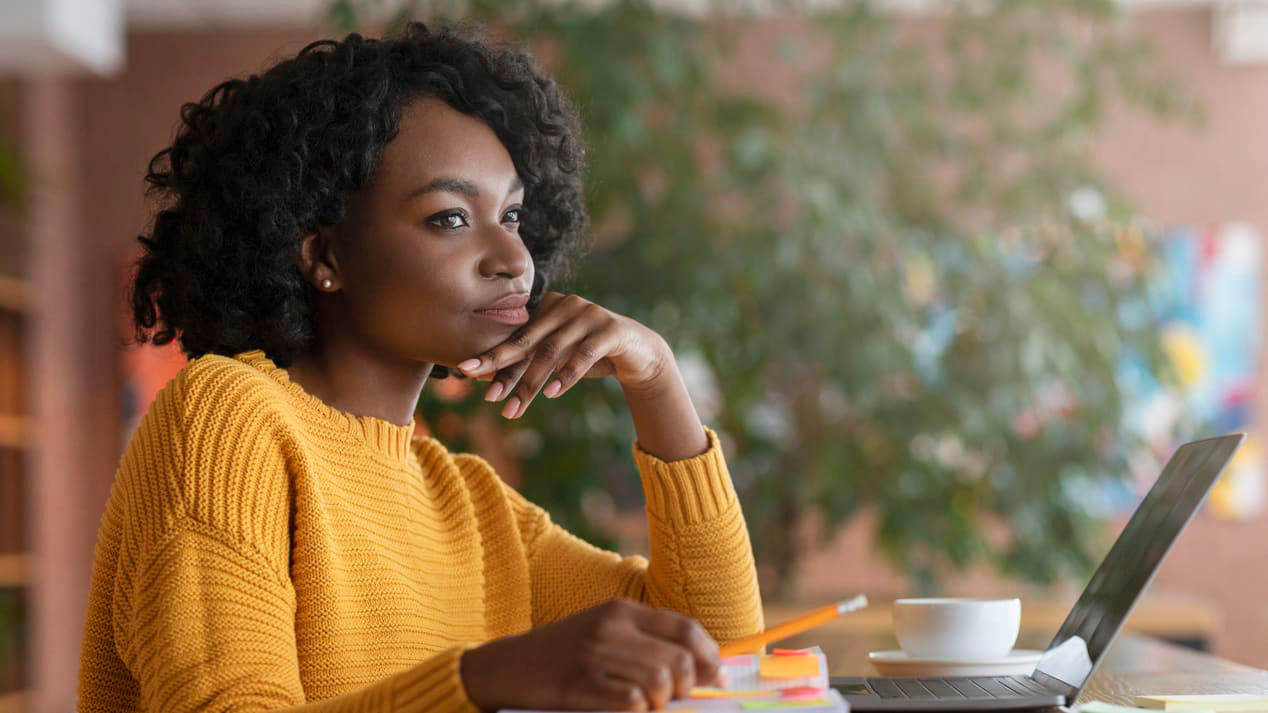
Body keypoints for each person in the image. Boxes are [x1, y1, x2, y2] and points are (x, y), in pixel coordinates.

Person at [76, 21, 764, 713]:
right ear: (325, 256)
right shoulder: (228, 416)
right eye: (449, 218)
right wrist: (481, 678)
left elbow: (718, 656)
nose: (514, 259)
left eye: (514, 215)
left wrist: (656, 380)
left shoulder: (468, 500)